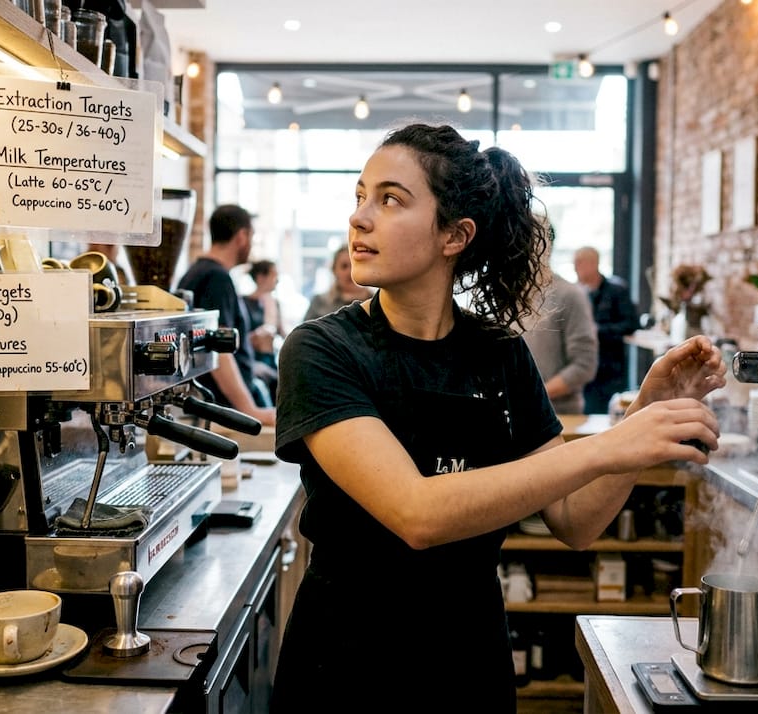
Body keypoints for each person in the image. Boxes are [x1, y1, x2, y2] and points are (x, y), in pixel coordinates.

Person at [271, 123, 725, 713]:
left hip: (469, 660)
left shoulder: (498, 354)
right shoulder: (323, 349)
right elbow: (416, 512)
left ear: (455, 235)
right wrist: (610, 445)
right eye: (361, 196)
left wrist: (647, 413)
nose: (359, 218)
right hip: (348, 664)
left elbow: (574, 519)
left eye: (390, 199)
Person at [175, 205, 275, 426]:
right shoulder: (217, 278)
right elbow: (218, 349)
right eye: (251, 236)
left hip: (209, 406)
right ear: (242, 236)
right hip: (220, 410)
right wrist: (251, 410)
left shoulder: (196, 272)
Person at [521, 228, 599, 415]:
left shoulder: (569, 294)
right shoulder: (505, 295)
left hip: (557, 416)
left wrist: (533, 397)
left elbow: (584, 365)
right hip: (512, 418)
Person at [574, 246, 640, 415]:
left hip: (610, 368)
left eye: (579, 263)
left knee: (610, 414)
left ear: (593, 263)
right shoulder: (576, 293)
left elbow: (631, 324)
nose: (575, 268)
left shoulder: (617, 290)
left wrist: (597, 330)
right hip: (584, 367)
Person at [301, 244, 374, 321]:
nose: (350, 272)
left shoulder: (377, 302)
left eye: (355, 265)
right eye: (344, 266)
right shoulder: (319, 302)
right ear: (334, 270)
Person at [244, 259, 283, 399]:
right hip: (252, 359)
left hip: (270, 358)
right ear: (261, 278)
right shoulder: (244, 302)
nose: (277, 280)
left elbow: (281, 332)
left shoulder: (274, 303)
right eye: (274, 275)